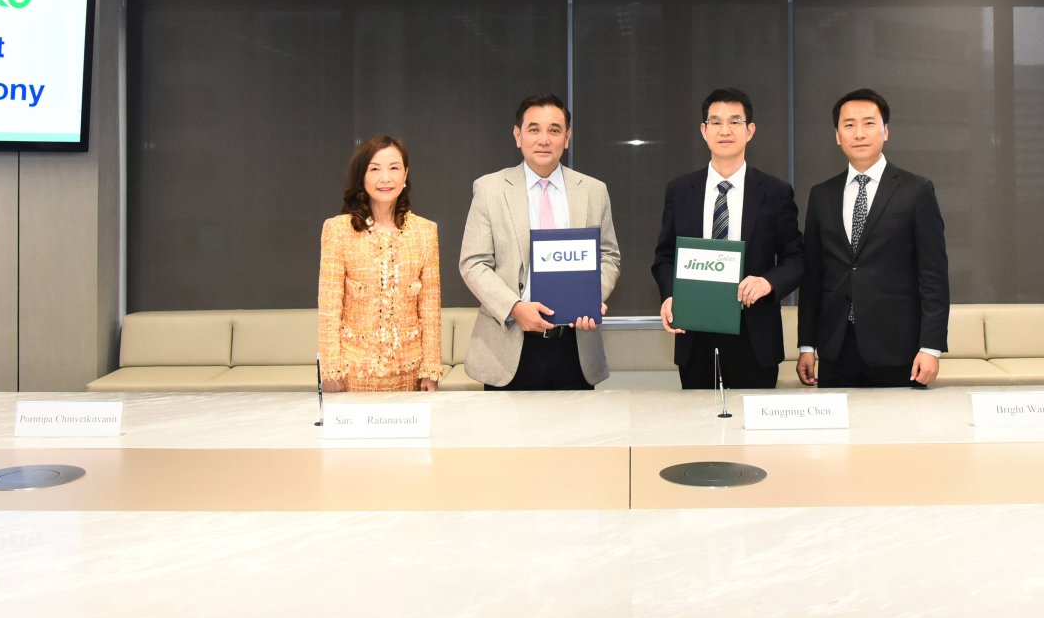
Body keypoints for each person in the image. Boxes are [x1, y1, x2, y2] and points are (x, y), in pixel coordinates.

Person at [458, 94, 620, 390]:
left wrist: (591, 297)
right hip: (508, 346)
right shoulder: (490, 189)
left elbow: (608, 256)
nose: (544, 139)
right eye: (534, 129)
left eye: (554, 130)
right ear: (518, 135)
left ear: (567, 138)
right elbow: (473, 263)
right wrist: (514, 307)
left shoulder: (593, 191)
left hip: (575, 345)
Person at [651, 88, 804, 389]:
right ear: (704, 131)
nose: (725, 130)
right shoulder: (680, 191)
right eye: (716, 122)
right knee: (698, 418)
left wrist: (768, 282)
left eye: (735, 122)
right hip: (694, 332)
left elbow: (796, 258)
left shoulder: (774, 192)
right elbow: (665, 257)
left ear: (750, 131)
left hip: (754, 337)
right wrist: (670, 295)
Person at [798, 89, 949, 388]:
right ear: (837, 135)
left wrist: (931, 347)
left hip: (898, 347)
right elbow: (813, 276)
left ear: (885, 131)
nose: (859, 133)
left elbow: (933, 275)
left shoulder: (917, 191)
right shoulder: (821, 194)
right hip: (836, 347)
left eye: (869, 123)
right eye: (849, 125)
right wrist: (807, 345)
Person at [317, 135, 442, 392]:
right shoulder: (338, 230)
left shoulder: (425, 231)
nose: (386, 178)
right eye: (375, 169)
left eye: (394, 168)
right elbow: (329, 307)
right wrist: (330, 370)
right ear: (362, 176)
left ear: (405, 174)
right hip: (353, 374)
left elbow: (430, 308)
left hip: (410, 375)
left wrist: (431, 371)